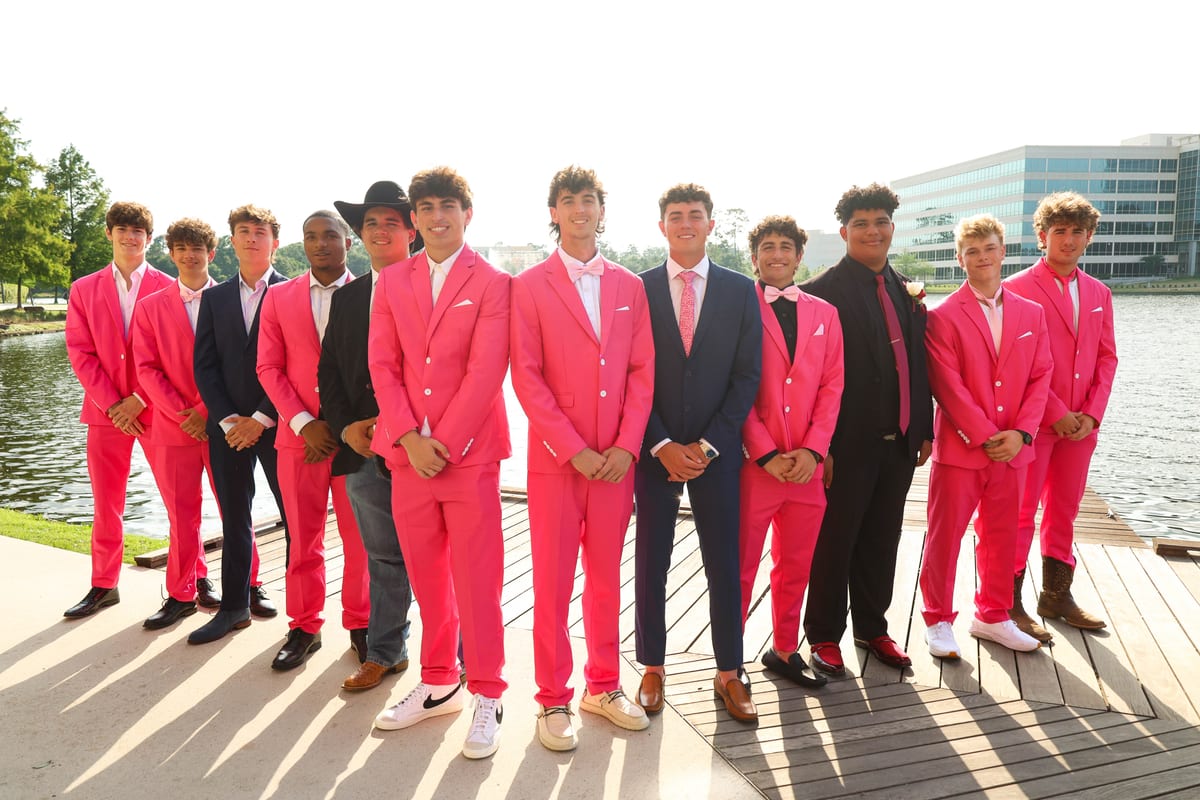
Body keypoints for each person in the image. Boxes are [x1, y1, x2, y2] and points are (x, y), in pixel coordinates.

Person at [511, 166, 655, 751]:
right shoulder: (529, 285)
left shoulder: (630, 286)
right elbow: (527, 376)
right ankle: (551, 697)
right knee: (550, 581)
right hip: (555, 463)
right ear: (554, 212)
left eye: (587, 200)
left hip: (617, 464)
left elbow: (644, 371)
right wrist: (572, 449)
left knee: (604, 579)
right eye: (567, 201)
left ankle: (602, 684)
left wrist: (625, 445)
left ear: (602, 210)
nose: (578, 209)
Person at [368, 167, 511, 760]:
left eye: (447, 205)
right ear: (415, 218)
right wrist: (407, 438)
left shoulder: (496, 282)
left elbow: (487, 370)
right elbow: (383, 364)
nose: (436, 216)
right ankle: (437, 682)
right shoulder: (392, 281)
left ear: (466, 213)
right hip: (407, 457)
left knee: (477, 581)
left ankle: (488, 691)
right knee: (427, 577)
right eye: (425, 207)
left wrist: (442, 442)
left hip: (468, 456)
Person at [634, 183, 762, 722]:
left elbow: (747, 375)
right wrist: (660, 443)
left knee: (723, 563)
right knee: (650, 561)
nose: (685, 223)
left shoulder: (740, 291)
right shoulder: (635, 289)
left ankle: (729, 672)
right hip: (654, 451)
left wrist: (710, 445)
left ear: (711, 224)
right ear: (661, 225)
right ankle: (652, 666)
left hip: (718, 453)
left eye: (695, 215)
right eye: (675, 215)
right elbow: (627, 374)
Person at [801, 183, 934, 676]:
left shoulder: (907, 289)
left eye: (881, 221)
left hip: (899, 445)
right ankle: (824, 634)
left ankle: (873, 627)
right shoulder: (820, 293)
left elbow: (918, 365)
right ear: (844, 232)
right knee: (834, 540)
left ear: (892, 228)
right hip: (845, 445)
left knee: (883, 538)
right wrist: (822, 448)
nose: (872, 230)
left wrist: (923, 428)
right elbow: (813, 378)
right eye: (861, 223)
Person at [921, 214, 1052, 658]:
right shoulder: (941, 316)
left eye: (989, 249)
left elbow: (1041, 376)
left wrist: (1021, 434)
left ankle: (993, 615)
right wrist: (984, 434)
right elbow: (946, 383)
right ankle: (937, 618)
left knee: (1003, 534)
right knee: (945, 535)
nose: (982, 257)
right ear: (960, 259)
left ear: (1003, 251)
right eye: (972, 251)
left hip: (1014, 451)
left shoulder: (1032, 313)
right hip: (961, 449)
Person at [255, 210, 368, 671]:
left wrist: (348, 427)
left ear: (348, 241)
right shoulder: (279, 297)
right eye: (310, 237)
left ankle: (362, 624)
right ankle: (304, 626)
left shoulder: (371, 293)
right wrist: (303, 422)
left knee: (360, 539)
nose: (319, 244)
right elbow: (268, 367)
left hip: (357, 440)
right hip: (298, 439)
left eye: (329, 235)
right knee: (303, 538)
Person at [1004, 192, 1118, 639]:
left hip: (1081, 429)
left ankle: (1055, 596)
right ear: (1042, 236)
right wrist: (1054, 412)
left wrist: (1090, 415)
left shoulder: (1099, 293)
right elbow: (1016, 361)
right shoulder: (1015, 288)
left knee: (1064, 511)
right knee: (1018, 511)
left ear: (1089, 236)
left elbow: (1107, 358)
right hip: (1034, 425)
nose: (1068, 240)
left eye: (1077, 232)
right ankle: (1006, 601)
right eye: (1059, 231)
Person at [321, 182, 420, 691]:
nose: (381, 230)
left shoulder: (433, 287)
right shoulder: (350, 298)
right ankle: (386, 651)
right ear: (360, 235)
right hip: (362, 451)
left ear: (412, 229)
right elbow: (330, 374)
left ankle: (461, 656)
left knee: (441, 554)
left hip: (424, 447)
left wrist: (401, 427)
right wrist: (347, 428)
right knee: (382, 555)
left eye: (391, 221)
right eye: (371, 223)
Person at [737, 215, 843, 688]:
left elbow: (832, 385)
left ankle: (783, 648)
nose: (776, 254)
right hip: (754, 466)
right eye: (767, 246)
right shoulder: (738, 309)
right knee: (739, 565)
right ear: (754, 256)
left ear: (800, 256)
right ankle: (729, 657)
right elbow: (733, 388)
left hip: (806, 468)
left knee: (795, 564)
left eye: (785, 246)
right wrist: (763, 452)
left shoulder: (826, 314)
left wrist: (814, 451)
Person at [63, 201, 174, 618]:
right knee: (106, 503)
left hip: (158, 408)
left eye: (138, 231)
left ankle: (194, 578)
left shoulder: (170, 286)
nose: (131, 237)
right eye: (123, 229)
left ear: (149, 237)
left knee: (177, 499)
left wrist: (141, 399)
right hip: (105, 413)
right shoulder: (84, 289)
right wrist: (113, 404)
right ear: (109, 233)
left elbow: (177, 354)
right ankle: (103, 584)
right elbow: (80, 351)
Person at [133, 218, 239, 628]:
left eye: (198, 248)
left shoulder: (232, 301)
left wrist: (207, 411)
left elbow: (239, 365)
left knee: (236, 508)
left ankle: (247, 585)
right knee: (182, 513)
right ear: (172, 253)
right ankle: (182, 592)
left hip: (224, 423)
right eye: (181, 248)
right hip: (172, 427)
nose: (190, 255)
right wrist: (184, 413)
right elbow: (146, 369)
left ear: (211, 254)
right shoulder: (150, 307)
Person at [189, 205, 286, 645]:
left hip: (281, 422)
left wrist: (262, 418)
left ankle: (305, 621)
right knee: (234, 518)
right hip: (227, 428)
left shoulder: (293, 292)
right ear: (231, 242)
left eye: (260, 231)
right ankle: (234, 608)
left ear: (274, 242)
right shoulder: (214, 298)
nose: (251, 238)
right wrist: (230, 420)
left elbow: (301, 364)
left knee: (296, 521)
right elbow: (205, 366)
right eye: (243, 232)